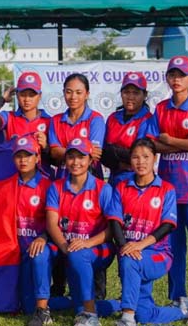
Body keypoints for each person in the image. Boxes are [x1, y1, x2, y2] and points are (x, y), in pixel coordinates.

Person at [109, 138, 188, 326]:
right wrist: (125, 247)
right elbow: (114, 221)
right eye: (136, 157)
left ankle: (127, 318)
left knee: (130, 261)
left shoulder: (166, 189)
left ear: (155, 159)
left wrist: (138, 246)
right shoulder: (122, 187)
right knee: (145, 315)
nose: (141, 162)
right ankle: (184, 310)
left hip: (158, 254)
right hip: (130, 251)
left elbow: (168, 225)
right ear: (130, 161)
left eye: (146, 157)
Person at [45, 138, 117, 326]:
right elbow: (52, 224)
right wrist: (65, 247)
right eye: (71, 157)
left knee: (78, 256)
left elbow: (112, 229)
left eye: (81, 157)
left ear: (90, 161)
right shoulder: (57, 186)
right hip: (68, 246)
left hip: (99, 247)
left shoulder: (103, 188)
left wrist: (87, 243)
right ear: (65, 160)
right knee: (32, 304)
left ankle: (91, 314)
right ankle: (108, 305)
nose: (76, 162)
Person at [146, 55, 188, 303]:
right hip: (169, 191)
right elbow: (153, 144)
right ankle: (179, 298)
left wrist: (170, 140)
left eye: (182, 75)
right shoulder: (162, 108)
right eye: (173, 75)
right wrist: (186, 141)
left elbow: (164, 141)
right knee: (174, 250)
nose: (177, 80)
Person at [9, 135, 63, 325]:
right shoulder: (6, 185)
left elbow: (58, 222)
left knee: (39, 253)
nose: (23, 160)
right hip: (15, 251)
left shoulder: (49, 186)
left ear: (37, 158)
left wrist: (43, 237)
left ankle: (47, 308)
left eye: (28, 155)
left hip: (40, 247)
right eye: (19, 156)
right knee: (22, 305)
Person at [0, 71, 52, 174]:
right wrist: (3, 99)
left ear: (40, 96)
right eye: (23, 94)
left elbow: (55, 159)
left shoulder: (49, 121)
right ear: (17, 95)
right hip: (14, 177)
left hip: (41, 180)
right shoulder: (9, 117)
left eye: (32, 95)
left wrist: (45, 146)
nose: (27, 99)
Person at [101, 72, 151, 187]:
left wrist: (114, 151)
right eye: (126, 92)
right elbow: (102, 154)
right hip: (113, 181)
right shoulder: (113, 118)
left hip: (137, 181)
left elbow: (141, 156)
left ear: (144, 95)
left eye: (136, 93)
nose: (130, 97)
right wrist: (120, 161)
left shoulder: (148, 119)